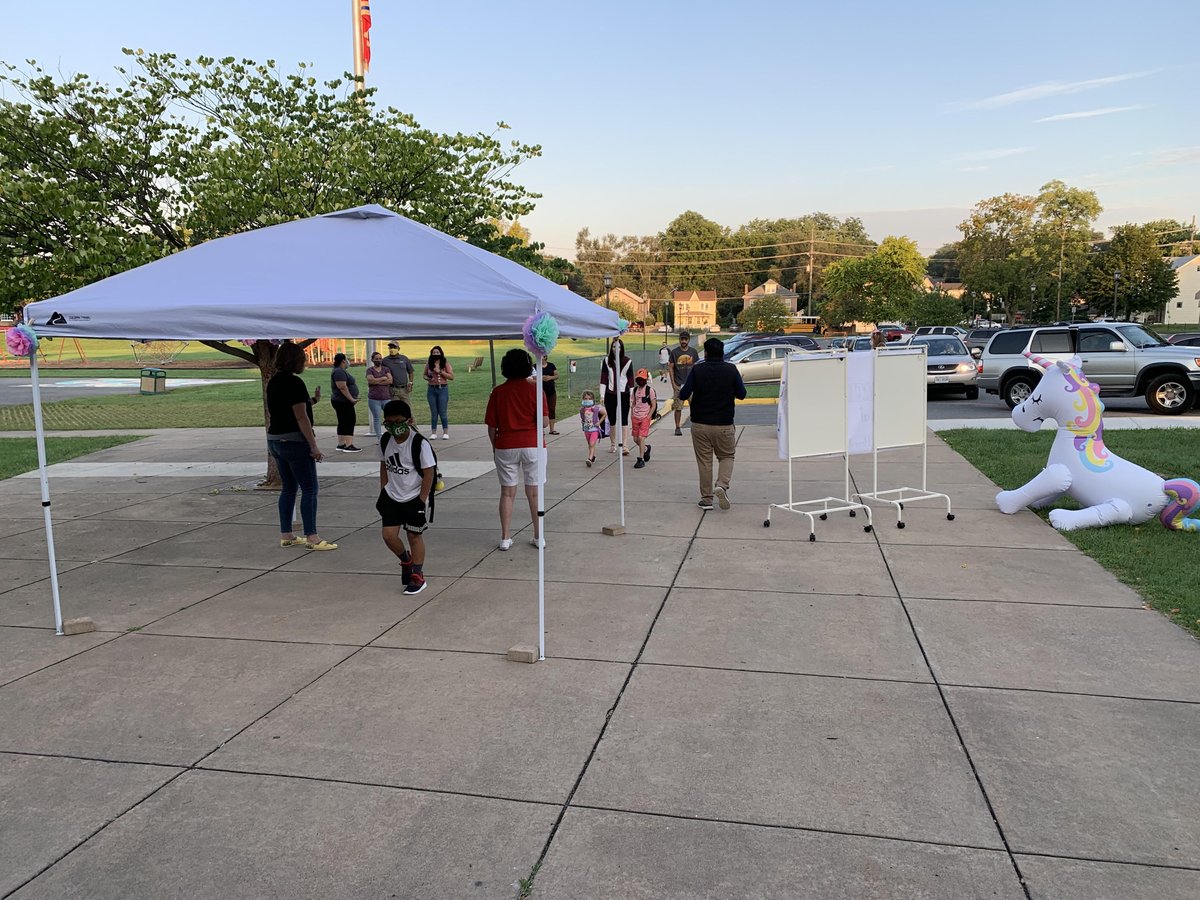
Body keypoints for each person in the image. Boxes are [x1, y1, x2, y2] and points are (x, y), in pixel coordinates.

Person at [266, 343, 337, 550]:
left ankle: (286, 534)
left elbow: (287, 408)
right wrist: (313, 446)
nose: (305, 362)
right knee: (310, 488)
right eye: (303, 359)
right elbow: (300, 415)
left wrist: (314, 400)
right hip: (294, 441)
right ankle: (312, 537)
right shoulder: (295, 382)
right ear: (295, 361)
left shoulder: (273, 382)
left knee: (288, 488)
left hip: (275, 440)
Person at [484, 348, 543, 550]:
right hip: (532, 443)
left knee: (507, 493)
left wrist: (495, 448)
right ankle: (538, 535)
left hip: (505, 444)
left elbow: (492, 427)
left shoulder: (498, 392)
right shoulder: (537, 389)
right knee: (534, 493)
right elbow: (543, 422)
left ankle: (505, 537)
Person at [679, 337, 746, 510]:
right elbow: (742, 394)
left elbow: (684, 393)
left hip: (700, 424)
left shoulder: (697, 370)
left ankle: (707, 499)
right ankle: (722, 485)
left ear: (706, 353)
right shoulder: (731, 370)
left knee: (704, 461)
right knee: (727, 456)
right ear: (722, 353)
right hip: (724, 423)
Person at [376, 399, 435, 595]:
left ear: (409, 421)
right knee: (389, 536)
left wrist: (422, 499)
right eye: (389, 424)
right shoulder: (385, 440)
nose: (393, 428)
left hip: (413, 496)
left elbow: (429, 473)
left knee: (414, 535)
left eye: (398, 422)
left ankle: (418, 575)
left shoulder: (419, 443)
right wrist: (384, 489)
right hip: (392, 495)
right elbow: (384, 465)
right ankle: (406, 559)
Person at [601, 337, 633, 455]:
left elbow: (630, 379)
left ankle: (625, 445)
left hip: (624, 393)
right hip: (610, 393)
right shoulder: (606, 361)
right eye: (614, 347)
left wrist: (632, 395)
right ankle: (613, 444)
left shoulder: (627, 361)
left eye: (618, 347)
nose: (616, 349)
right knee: (612, 419)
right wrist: (602, 395)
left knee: (624, 419)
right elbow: (604, 378)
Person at [329, 352, 361, 452]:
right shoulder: (339, 372)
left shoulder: (340, 371)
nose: (348, 362)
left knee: (343, 421)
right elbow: (342, 387)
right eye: (347, 360)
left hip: (341, 401)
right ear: (343, 361)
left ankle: (341, 444)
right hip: (343, 402)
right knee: (349, 421)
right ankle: (349, 445)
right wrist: (351, 399)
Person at [668, 330, 697, 436]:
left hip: (691, 385)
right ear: (679, 340)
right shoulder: (674, 352)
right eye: (682, 339)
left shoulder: (693, 352)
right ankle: (677, 427)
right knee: (678, 408)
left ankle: (695, 427)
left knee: (694, 407)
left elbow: (696, 367)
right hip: (679, 384)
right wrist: (673, 384)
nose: (683, 341)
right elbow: (670, 368)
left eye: (685, 339)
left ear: (688, 340)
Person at [423, 345, 454, 439]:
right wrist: (427, 378)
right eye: (434, 352)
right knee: (434, 412)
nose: (435, 354)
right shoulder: (429, 363)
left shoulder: (445, 363)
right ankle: (433, 432)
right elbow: (424, 375)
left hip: (442, 389)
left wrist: (440, 372)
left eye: (437, 352)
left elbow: (451, 377)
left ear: (441, 353)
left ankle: (445, 432)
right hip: (431, 389)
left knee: (442, 411)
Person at [629, 368, 657, 469]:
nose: (640, 381)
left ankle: (640, 459)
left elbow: (653, 404)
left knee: (641, 438)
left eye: (642, 379)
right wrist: (632, 414)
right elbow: (633, 403)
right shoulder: (635, 390)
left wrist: (648, 416)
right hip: (635, 417)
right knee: (636, 439)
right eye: (638, 379)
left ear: (645, 380)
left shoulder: (650, 391)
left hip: (645, 417)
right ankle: (646, 448)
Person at [365, 351, 392, 437]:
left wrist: (376, 382)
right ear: (372, 360)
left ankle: (392, 434)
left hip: (386, 397)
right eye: (376, 359)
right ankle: (379, 437)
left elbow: (390, 381)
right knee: (377, 418)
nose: (378, 360)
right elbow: (370, 380)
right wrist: (383, 378)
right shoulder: (370, 370)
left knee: (389, 417)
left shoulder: (386, 369)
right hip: (374, 398)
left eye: (380, 358)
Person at [579, 389, 606, 467]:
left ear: (593, 399)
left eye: (589, 399)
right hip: (587, 429)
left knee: (592, 443)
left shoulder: (596, 408)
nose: (587, 400)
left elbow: (604, 414)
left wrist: (599, 422)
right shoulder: (582, 409)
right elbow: (583, 418)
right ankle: (593, 455)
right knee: (590, 444)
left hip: (594, 429)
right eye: (585, 399)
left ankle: (590, 458)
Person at [539, 355, 559, 434]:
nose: (541, 358)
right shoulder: (535, 366)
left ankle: (552, 429)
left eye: (543, 356)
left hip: (551, 391)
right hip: (540, 392)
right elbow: (532, 377)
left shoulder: (551, 365)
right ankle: (541, 429)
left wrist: (550, 378)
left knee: (551, 409)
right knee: (540, 410)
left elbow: (557, 375)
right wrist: (541, 377)